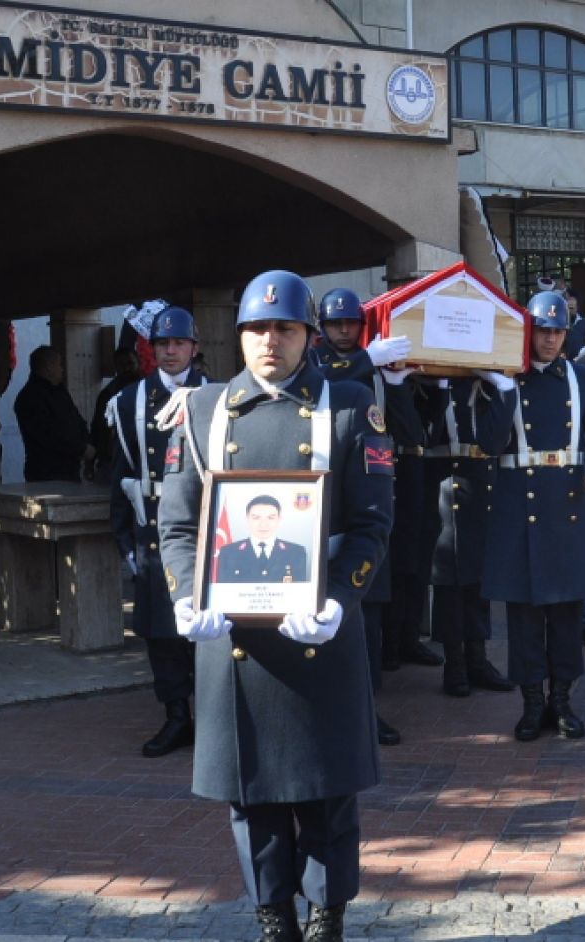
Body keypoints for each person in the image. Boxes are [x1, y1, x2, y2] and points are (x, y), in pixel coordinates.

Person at [157, 270, 393, 942]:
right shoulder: (202, 411)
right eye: (257, 329)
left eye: (285, 328)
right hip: (234, 637)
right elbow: (176, 524)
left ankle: (326, 917)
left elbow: (374, 524)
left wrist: (342, 599)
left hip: (316, 625)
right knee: (251, 794)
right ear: (238, 336)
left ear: (308, 337)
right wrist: (183, 594)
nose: (270, 342)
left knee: (327, 793)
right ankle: (272, 917)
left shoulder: (348, 407)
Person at [484, 291, 585, 741]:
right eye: (543, 330)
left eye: (557, 331)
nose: (550, 339)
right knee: (522, 617)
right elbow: (489, 441)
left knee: (565, 615)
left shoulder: (580, 377)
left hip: (567, 510)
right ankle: (531, 703)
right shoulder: (505, 377)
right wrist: (501, 393)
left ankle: (562, 700)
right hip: (518, 510)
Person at [312, 288, 428, 745]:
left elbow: (407, 431)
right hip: (330, 502)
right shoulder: (321, 363)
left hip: (374, 489)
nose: (344, 331)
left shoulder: (372, 366)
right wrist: (368, 359)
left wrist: (397, 387)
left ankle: (366, 706)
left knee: (372, 610)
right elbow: (320, 381)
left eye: (351, 324)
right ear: (321, 328)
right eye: (335, 324)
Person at [106, 306, 208, 758]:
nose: (169, 351)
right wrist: (124, 540)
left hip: (206, 529)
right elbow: (120, 474)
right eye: (162, 344)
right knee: (160, 632)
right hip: (152, 530)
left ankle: (211, 717)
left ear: (194, 347)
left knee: (205, 630)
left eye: (178, 343)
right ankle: (176, 717)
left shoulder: (217, 395)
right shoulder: (128, 400)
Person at [423, 372, 519, 694]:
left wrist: (502, 387)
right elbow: (425, 432)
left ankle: (477, 659)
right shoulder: (430, 384)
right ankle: (454, 662)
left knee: (478, 577)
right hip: (443, 482)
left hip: (481, 482)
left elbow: (493, 440)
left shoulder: (488, 387)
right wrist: (438, 387)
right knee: (448, 580)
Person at [15, 345, 93, 481]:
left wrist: (86, 443)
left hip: (70, 469)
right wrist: (81, 449)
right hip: (46, 472)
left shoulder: (59, 392)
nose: (62, 370)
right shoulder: (30, 397)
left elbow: (77, 420)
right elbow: (49, 434)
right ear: (48, 366)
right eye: (59, 365)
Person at [90, 348, 143, 481]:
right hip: (113, 460)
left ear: (138, 363)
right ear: (116, 368)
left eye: (130, 363)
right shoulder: (107, 395)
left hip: (144, 459)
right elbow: (98, 429)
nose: (127, 369)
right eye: (122, 365)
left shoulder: (150, 390)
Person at [563, 291, 585, 359]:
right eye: (567, 308)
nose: (569, 311)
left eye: (571, 308)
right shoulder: (559, 324)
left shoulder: (584, 323)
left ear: (577, 307)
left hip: (580, 361)